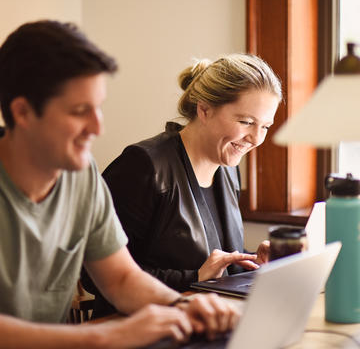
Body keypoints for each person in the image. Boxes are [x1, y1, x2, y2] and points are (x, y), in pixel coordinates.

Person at [0, 20, 240, 349]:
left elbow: (121, 278)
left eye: (98, 108)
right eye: (79, 111)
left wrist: (181, 306)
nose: (97, 127)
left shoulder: (80, 177)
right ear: (23, 112)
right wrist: (105, 335)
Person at [82, 53, 282, 317]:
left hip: (203, 322)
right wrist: (193, 277)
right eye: (246, 122)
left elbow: (212, 256)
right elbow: (94, 276)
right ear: (204, 109)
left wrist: (252, 260)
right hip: (141, 328)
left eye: (265, 126)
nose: (256, 138)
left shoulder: (228, 169)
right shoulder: (143, 166)